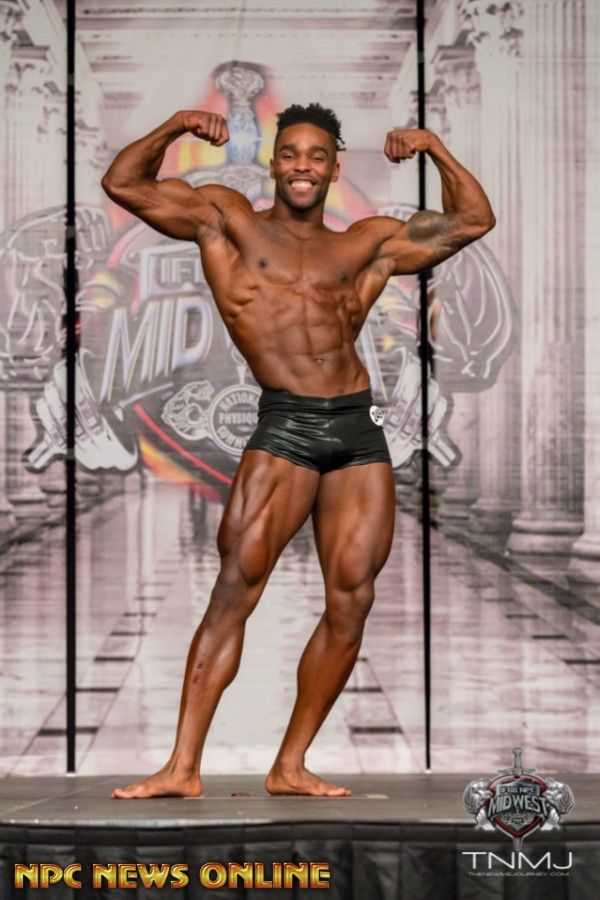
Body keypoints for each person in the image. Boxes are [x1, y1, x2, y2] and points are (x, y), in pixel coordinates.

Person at [101, 102, 494, 798]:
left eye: (316, 156)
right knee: (235, 589)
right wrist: (175, 127)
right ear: (274, 164)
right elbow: (125, 185)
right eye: (290, 155)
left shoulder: (366, 243)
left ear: (335, 169)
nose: (302, 166)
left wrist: (434, 146)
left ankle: (290, 764)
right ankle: (182, 767)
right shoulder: (227, 221)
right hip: (286, 426)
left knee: (352, 599)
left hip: (357, 431)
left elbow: (471, 221)